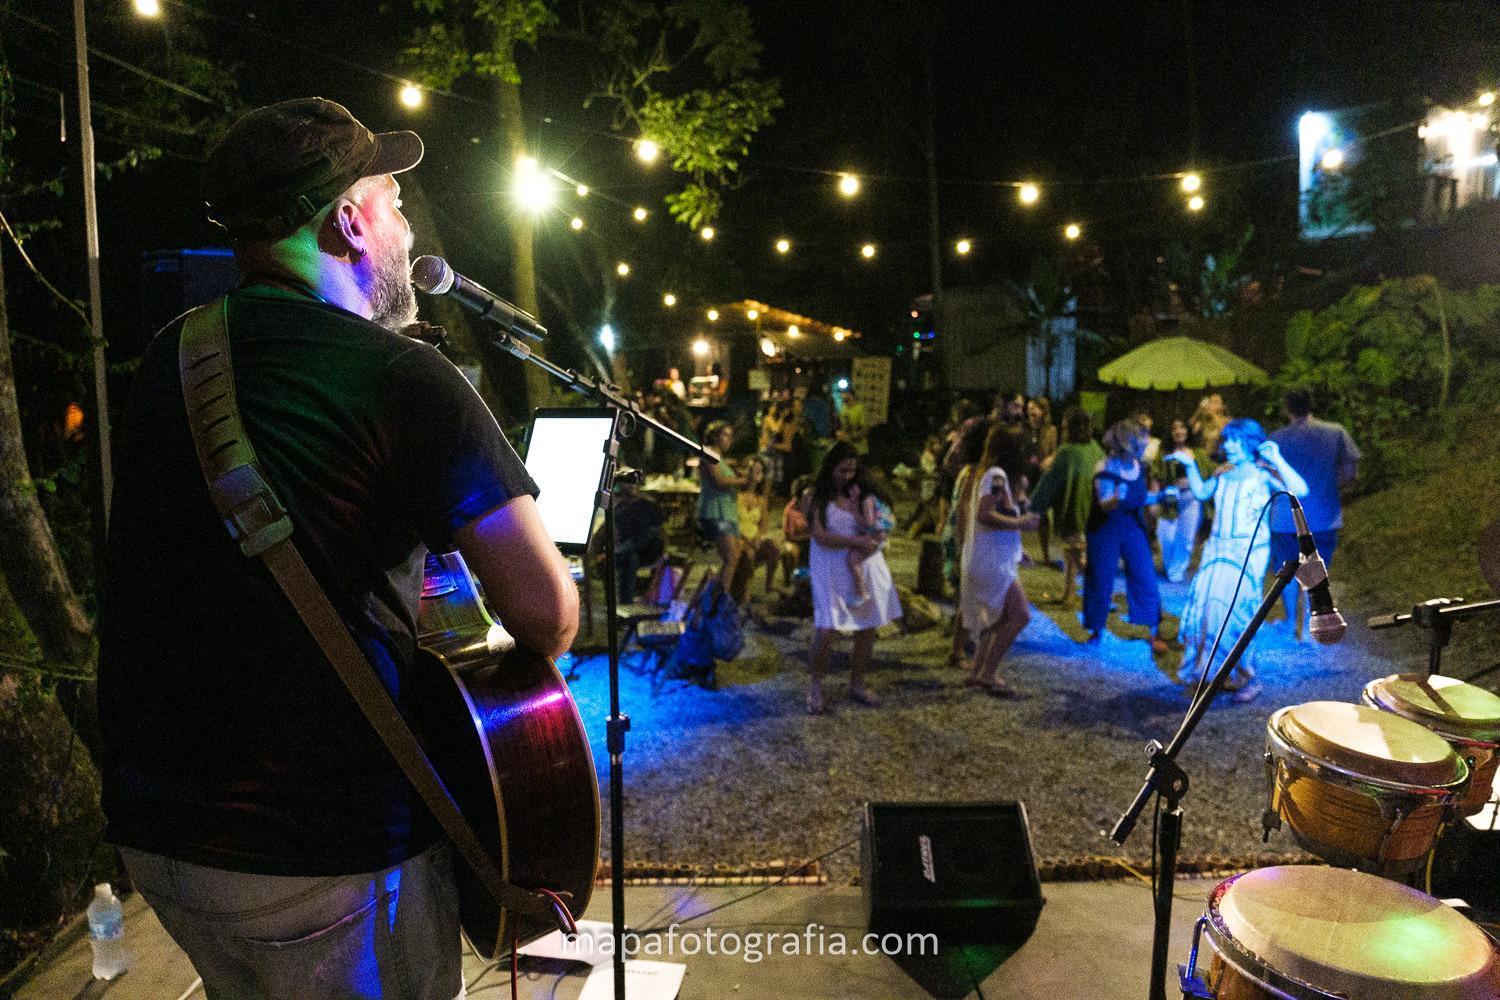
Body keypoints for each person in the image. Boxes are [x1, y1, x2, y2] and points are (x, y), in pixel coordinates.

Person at [96, 99, 580, 1000]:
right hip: (319, 849)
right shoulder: (400, 374)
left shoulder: (171, 356)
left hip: (158, 834)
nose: (404, 224)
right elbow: (546, 614)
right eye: (393, 200)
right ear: (350, 222)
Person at [1171, 418, 1308, 702]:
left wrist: (1277, 458)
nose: (1228, 446)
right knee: (1207, 608)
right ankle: (1211, 674)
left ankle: (1247, 677)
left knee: (1237, 613)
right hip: (1217, 548)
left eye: (1235, 441)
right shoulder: (1223, 472)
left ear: (1249, 443)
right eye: (1227, 441)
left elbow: (1301, 490)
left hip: (1247, 551)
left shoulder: (1263, 473)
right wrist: (1189, 465)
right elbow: (1201, 492)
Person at [805, 442, 902, 714]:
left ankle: (857, 683)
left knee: (866, 627)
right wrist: (856, 541)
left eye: (852, 470)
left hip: (862, 565)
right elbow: (821, 536)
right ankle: (815, 685)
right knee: (826, 628)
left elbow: (875, 522)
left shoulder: (859, 493)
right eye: (842, 470)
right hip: (828, 566)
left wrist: (874, 533)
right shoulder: (814, 496)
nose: (848, 476)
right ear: (829, 468)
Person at [1268, 387, 1361, 638]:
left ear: (1287, 408)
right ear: (1311, 405)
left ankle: (1290, 624)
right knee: (1318, 569)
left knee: (1286, 571)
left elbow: (1268, 476)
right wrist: (1330, 486)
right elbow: (1350, 472)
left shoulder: (1275, 439)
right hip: (1324, 515)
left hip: (1285, 519)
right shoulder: (1335, 432)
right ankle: (1314, 623)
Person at [956, 425, 1041, 696]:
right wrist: (1021, 522)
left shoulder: (989, 475)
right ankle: (988, 674)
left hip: (992, 558)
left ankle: (978, 672)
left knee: (1001, 618)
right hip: (991, 562)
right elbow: (984, 515)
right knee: (1020, 615)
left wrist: (1017, 549)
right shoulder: (996, 475)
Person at [1082, 419, 1169, 653]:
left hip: (1132, 526)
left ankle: (1152, 631)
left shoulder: (1139, 467)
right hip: (1105, 528)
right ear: (1127, 442)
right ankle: (1096, 630)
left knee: (1145, 576)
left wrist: (1162, 496)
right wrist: (1116, 498)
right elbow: (1105, 504)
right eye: (1141, 439)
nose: (1145, 443)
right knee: (1101, 578)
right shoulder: (1105, 467)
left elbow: (1139, 499)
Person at [1028, 410, 1103, 608]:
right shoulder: (1095, 448)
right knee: (1071, 555)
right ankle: (1068, 595)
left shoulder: (1066, 452)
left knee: (1077, 556)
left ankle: (1100, 594)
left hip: (1072, 511)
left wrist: (1033, 506)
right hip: (1092, 510)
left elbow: (1049, 482)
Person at [944, 417, 991, 667]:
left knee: (967, 597)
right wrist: (964, 546)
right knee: (968, 597)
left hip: (962, 537)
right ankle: (958, 651)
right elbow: (963, 509)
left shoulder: (970, 470)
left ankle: (963, 644)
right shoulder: (973, 472)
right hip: (963, 538)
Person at [1153, 419, 1210, 583]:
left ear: (1188, 430)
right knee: (1166, 537)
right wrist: (1155, 501)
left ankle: (1176, 572)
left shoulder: (1198, 453)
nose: (1179, 431)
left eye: (1182, 427)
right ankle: (1170, 567)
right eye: (1174, 428)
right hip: (1168, 499)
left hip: (1191, 499)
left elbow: (1208, 473)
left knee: (1186, 537)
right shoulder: (1164, 453)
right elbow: (1155, 477)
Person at [697, 420, 747, 593]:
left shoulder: (720, 458)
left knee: (734, 556)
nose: (729, 440)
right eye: (725, 435)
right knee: (730, 557)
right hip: (716, 512)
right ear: (715, 436)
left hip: (726, 513)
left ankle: (715, 591)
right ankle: (718, 597)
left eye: (731, 436)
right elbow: (718, 480)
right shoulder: (709, 454)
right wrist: (742, 481)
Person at [731, 455, 782, 602]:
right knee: (748, 553)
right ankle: (745, 590)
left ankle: (769, 585)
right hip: (738, 538)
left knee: (773, 548)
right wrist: (744, 539)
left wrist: (758, 539)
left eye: (759, 471)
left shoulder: (761, 500)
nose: (756, 474)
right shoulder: (736, 495)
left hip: (753, 540)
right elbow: (731, 521)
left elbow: (763, 527)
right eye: (753, 470)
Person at [844, 466, 896, 609]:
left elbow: (869, 522)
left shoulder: (867, 500)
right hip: (879, 537)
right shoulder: (873, 498)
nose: (850, 492)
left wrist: (855, 512)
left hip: (875, 537)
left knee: (853, 560)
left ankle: (861, 593)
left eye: (852, 488)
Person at [613, 468, 666, 604]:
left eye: (634, 482)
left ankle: (627, 606)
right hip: (625, 554)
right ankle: (627, 606)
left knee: (648, 533)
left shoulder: (648, 505)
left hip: (648, 551)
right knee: (631, 559)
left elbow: (662, 532)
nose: (631, 485)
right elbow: (612, 533)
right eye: (627, 482)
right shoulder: (618, 506)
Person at [1025, 397, 1059, 563]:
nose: (1031, 411)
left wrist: (1049, 459)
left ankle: (1045, 554)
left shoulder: (1051, 430)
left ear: (1043, 411)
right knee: (1019, 511)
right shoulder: (1023, 429)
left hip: (1042, 476)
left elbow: (1055, 451)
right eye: (1029, 408)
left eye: (1034, 408)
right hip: (1025, 475)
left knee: (1043, 516)